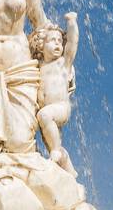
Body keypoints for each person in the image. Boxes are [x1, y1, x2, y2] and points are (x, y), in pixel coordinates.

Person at [30, 12, 79, 175]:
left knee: (45, 118)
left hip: (60, 108)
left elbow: (72, 43)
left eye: (60, 41)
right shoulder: (38, 67)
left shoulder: (63, 63)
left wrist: (71, 22)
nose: (58, 44)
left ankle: (57, 152)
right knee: (51, 143)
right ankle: (70, 173)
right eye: (52, 41)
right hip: (44, 113)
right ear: (41, 46)